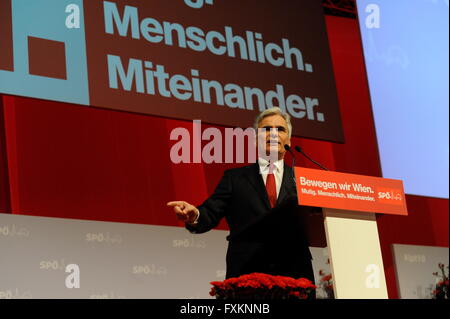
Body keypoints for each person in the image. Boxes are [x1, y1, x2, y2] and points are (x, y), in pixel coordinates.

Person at [167, 107, 315, 284]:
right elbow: (210, 212)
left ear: (288, 139)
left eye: (280, 129)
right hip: (247, 272)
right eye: (267, 129)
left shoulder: (304, 180)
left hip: (295, 273)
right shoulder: (234, 178)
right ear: (255, 140)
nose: (274, 134)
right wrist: (195, 215)